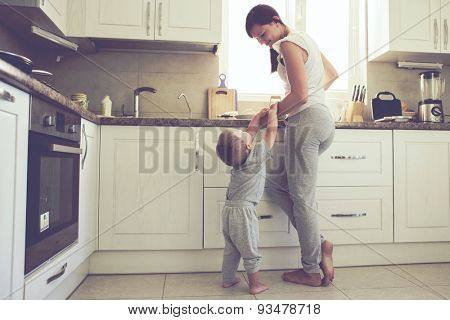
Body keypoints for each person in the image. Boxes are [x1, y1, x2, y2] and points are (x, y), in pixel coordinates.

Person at [245, 4, 339, 287]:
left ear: (275, 21)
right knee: (278, 186)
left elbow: (298, 94)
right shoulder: (304, 39)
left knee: (302, 197)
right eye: (258, 40)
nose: (263, 42)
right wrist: (300, 100)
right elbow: (331, 74)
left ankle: (310, 269)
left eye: (262, 34)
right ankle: (320, 244)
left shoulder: (287, 44)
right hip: (321, 120)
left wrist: (273, 111)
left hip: (307, 122)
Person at [215, 104, 278, 294]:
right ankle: (255, 285)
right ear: (249, 146)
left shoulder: (238, 162)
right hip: (244, 212)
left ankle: (227, 279)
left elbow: (249, 133)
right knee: (250, 250)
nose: (246, 133)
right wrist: (273, 115)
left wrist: (257, 117)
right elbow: (271, 134)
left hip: (228, 211)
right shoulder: (256, 157)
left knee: (231, 249)